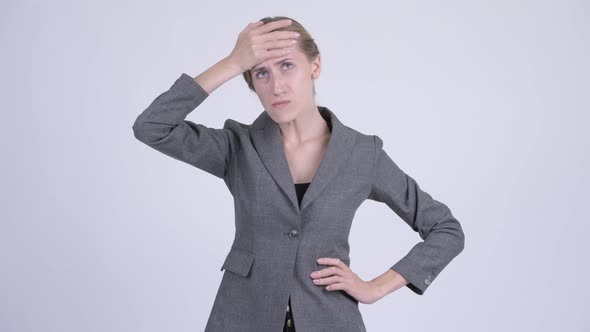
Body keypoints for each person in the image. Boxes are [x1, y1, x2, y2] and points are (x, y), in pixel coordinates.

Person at [132, 16, 465, 332]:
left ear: (315, 66)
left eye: (287, 66)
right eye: (261, 73)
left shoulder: (362, 154)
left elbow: (445, 230)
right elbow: (152, 127)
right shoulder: (237, 146)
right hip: (242, 317)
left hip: (329, 318)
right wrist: (233, 62)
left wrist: (376, 287)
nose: (276, 86)